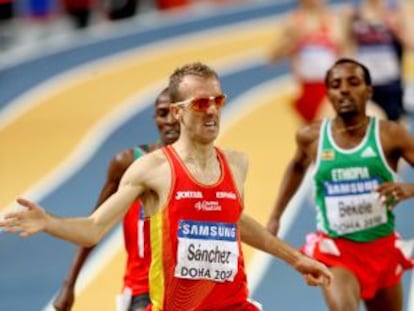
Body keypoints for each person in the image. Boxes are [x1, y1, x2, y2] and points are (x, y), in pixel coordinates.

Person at [1, 62, 333, 311]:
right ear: (176, 112)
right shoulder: (152, 169)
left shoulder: (236, 163)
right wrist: (48, 222)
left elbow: (235, 221)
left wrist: (295, 259)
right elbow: (93, 228)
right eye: (201, 104)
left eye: (218, 100)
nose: (213, 111)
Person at [267, 58, 414, 311]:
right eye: (336, 84)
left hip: (381, 249)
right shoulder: (311, 137)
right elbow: (297, 166)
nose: (344, 89)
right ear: (329, 94)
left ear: (368, 91)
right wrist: (275, 216)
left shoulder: (390, 134)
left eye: (353, 82)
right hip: (336, 251)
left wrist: (411, 189)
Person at [52, 87, 180, 311]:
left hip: (189, 287)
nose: (169, 120)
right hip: (144, 290)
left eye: (175, 112)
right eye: (162, 113)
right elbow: (94, 225)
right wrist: (68, 285)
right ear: (155, 118)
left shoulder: (204, 166)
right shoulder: (129, 162)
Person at [268, 0, 346, 123]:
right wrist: (292, 40)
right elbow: (272, 57)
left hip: (329, 88)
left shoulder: (333, 21)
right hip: (305, 88)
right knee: (310, 137)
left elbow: (345, 54)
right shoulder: (293, 21)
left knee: (327, 132)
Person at [343, 0, 414, 121]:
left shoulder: (395, 10)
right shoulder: (353, 12)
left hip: (390, 81)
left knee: (394, 127)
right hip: (365, 83)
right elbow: (347, 48)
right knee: (369, 127)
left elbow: (410, 44)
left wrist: (395, 27)